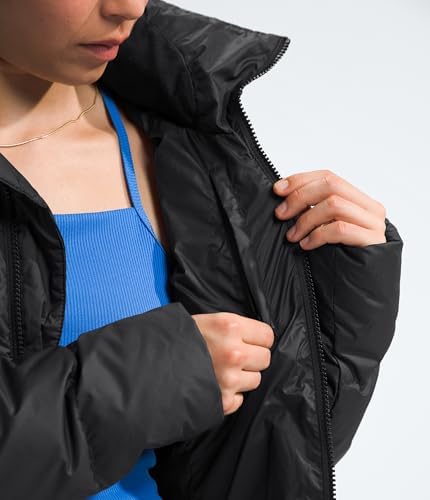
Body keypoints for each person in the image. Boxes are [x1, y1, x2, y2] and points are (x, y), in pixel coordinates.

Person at [0, 0, 403, 499]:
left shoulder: (182, 137)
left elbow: (265, 464)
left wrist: (350, 303)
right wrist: (138, 383)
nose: (129, 7)